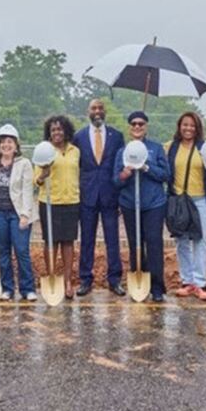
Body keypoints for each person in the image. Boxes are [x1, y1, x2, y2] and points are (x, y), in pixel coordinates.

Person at [113, 111, 171, 302]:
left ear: (146, 126)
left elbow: (165, 175)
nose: (137, 127)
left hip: (153, 203)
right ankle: (138, 278)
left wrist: (146, 167)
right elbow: (115, 180)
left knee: (154, 243)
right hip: (130, 204)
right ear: (129, 128)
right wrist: (125, 174)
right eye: (134, 124)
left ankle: (156, 286)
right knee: (135, 244)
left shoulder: (155, 148)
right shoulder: (123, 151)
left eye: (141, 124)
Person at [165, 111, 206, 302]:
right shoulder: (170, 147)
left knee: (201, 240)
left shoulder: (205, 148)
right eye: (185, 125)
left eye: (192, 125)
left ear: (197, 128)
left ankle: (200, 283)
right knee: (181, 240)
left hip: (201, 200)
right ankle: (187, 281)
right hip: (179, 200)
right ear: (179, 127)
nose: (188, 128)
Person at [73, 99, 126, 296]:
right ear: (88, 111)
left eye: (100, 108)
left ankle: (115, 280)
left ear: (105, 112)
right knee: (87, 239)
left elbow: (121, 165)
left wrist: (120, 196)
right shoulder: (78, 137)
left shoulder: (117, 136)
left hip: (110, 196)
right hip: (87, 196)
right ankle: (85, 279)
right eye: (94, 108)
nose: (97, 111)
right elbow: (74, 167)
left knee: (113, 240)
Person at [0, 124, 38, 301]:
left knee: (21, 251)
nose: (6, 145)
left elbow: (28, 190)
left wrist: (25, 215)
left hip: (17, 214)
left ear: (16, 145)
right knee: (3, 252)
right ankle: (7, 289)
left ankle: (27, 289)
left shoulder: (24, 164)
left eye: (10, 141)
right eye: (3, 141)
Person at [34, 115, 81, 299]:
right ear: (49, 132)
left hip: (71, 201)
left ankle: (68, 281)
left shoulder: (75, 151)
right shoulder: (44, 151)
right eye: (53, 130)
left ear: (66, 131)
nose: (57, 133)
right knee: (51, 242)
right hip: (49, 202)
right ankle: (52, 276)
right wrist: (43, 175)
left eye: (60, 129)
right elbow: (35, 180)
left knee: (68, 242)